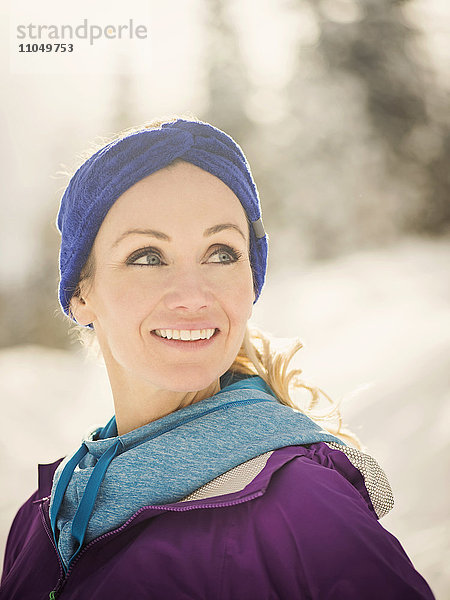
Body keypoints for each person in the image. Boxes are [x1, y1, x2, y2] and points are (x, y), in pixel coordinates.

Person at [0, 117, 435, 600]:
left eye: (222, 253)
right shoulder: (43, 514)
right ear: (81, 294)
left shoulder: (306, 508)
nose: (192, 295)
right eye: (147, 256)